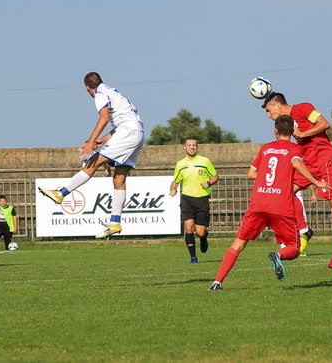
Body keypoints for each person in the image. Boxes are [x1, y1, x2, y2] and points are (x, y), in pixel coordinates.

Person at [208, 115, 330, 290]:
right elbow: (296, 164)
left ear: (275, 131)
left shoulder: (266, 149)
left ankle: (217, 282)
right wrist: (317, 182)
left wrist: (268, 179)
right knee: (294, 248)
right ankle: (278, 255)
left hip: (259, 203)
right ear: (293, 131)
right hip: (280, 205)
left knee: (238, 244)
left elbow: (251, 174)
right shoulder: (295, 149)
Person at [38, 71, 145, 238]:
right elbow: (122, 121)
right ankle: (115, 223)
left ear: (87, 88)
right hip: (137, 133)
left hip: (127, 132)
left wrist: (91, 141)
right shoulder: (113, 91)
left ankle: (61, 193)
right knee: (119, 178)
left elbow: (103, 118)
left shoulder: (100, 94)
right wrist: (103, 139)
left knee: (93, 161)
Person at [262, 92, 332, 268]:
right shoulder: (286, 122)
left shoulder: (304, 107)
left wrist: (303, 133)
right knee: (286, 191)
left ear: (278, 105)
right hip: (307, 162)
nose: (269, 116)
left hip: (325, 159)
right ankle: (304, 229)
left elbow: (325, 124)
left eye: (269, 111)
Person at [170, 137, 219, 263]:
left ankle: (203, 238)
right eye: (189, 145)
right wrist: (173, 189)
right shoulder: (180, 164)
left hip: (202, 199)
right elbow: (175, 181)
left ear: (197, 147)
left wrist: (208, 182)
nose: (192, 147)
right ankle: (193, 257)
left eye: (194, 145)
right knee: (188, 227)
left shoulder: (204, 161)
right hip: (187, 199)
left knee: (200, 231)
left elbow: (215, 176)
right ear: (184, 147)